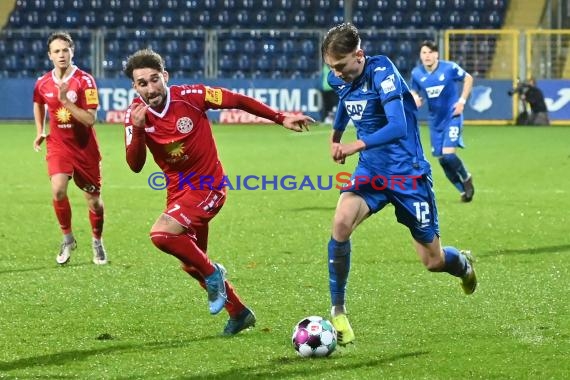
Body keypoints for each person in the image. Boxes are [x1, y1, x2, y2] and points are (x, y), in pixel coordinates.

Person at [122, 49, 313, 336]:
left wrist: (279, 117)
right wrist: (137, 130)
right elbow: (135, 165)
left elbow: (236, 100)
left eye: (154, 79)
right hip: (178, 194)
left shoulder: (192, 95)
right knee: (191, 263)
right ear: (135, 87)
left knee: (162, 235)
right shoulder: (134, 116)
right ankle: (239, 312)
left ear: (166, 77)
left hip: (209, 186)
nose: (150, 88)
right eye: (142, 83)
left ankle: (215, 274)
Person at [321, 23, 477, 346]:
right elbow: (345, 101)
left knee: (432, 261)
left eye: (340, 66)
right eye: (331, 68)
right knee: (340, 222)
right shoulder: (340, 78)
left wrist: (354, 145)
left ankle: (461, 263)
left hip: (408, 175)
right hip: (372, 172)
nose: (335, 74)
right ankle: (338, 312)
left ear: (359, 55)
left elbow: (398, 126)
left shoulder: (382, 71)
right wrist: (335, 135)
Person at [32, 31, 108, 265]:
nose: (61, 54)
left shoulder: (85, 81)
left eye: (65, 50)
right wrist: (40, 130)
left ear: (72, 52)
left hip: (85, 148)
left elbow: (90, 120)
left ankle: (97, 241)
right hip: (59, 146)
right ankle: (67, 238)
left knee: (93, 201)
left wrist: (66, 101)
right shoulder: (43, 82)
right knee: (58, 190)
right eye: (57, 51)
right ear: (50, 55)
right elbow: (38, 102)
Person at [410, 40, 475, 203]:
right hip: (435, 122)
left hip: (452, 116)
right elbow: (414, 91)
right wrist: (415, 99)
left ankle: (466, 177)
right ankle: (462, 191)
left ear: (436, 54)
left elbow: (468, 78)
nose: (427, 56)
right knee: (442, 160)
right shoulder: (416, 73)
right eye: (424, 53)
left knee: (449, 155)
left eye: (430, 52)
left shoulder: (449, 68)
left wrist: (461, 101)